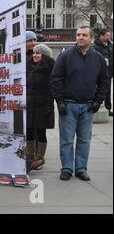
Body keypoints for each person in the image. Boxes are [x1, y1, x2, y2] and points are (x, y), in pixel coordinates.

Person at [50, 26, 109, 182]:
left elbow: (104, 81)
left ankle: (81, 169)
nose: (80, 37)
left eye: (84, 35)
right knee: (67, 140)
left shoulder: (98, 58)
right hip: (68, 105)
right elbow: (56, 79)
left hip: (88, 106)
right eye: (78, 35)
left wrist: (98, 101)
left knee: (84, 140)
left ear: (91, 39)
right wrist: (60, 102)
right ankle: (67, 168)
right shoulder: (65, 56)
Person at [26, 44, 55, 172]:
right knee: (29, 131)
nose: (35, 55)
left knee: (41, 132)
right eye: (34, 53)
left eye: (38, 53)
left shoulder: (50, 68)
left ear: (45, 56)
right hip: (29, 104)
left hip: (43, 105)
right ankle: (30, 157)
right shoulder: (27, 66)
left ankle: (40, 158)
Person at [92, 29, 113, 116]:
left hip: (110, 69)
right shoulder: (95, 46)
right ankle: (98, 106)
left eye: (109, 35)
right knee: (102, 89)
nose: (109, 37)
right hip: (102, 70)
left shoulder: (110, 45)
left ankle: (108, 108)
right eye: (107, 35)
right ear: (101, 36)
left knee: (108, 90)